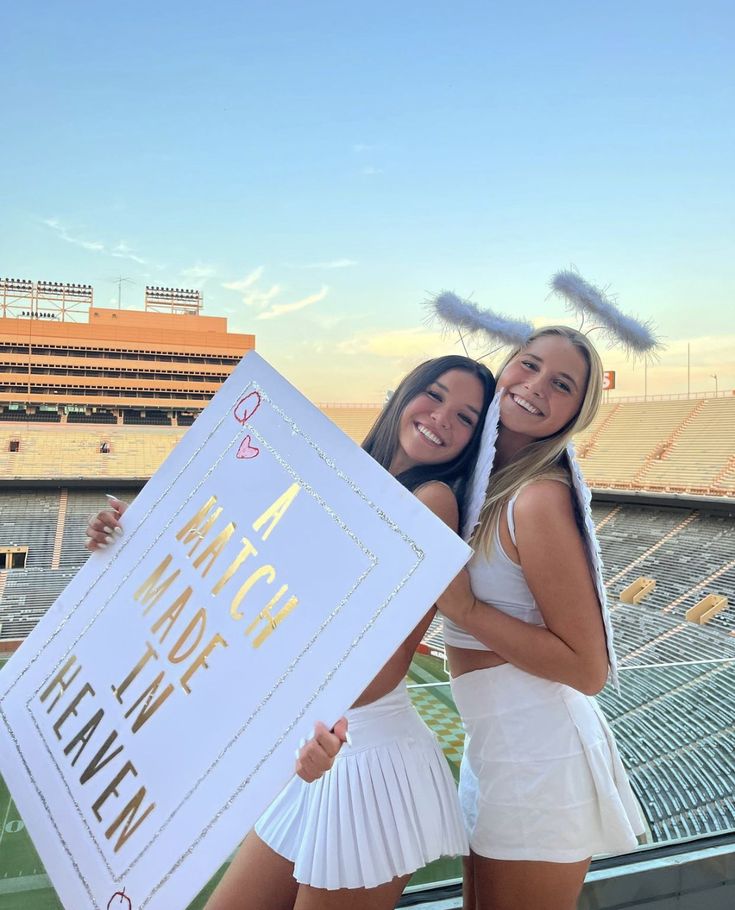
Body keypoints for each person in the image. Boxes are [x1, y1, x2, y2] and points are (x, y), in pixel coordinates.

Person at [85, 354, 496, 910]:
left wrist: (303, 720)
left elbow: (385, 661)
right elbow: (242, 550)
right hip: (317, 744)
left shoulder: (432, 500)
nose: (443, 417)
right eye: (436, 394)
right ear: (406, 393)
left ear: (472, 440)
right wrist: (137, 533)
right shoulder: (342, 474)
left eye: (466, 417)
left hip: (365, 755)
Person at [436, 326, 645, 910]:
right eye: (527, 366)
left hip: (538, 756)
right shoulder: (487, 488)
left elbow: (588, 669)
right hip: (497, 749)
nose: (534, 387)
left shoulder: (536, 498)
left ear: (576, 412)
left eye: (561, 384)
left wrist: (468, 611)